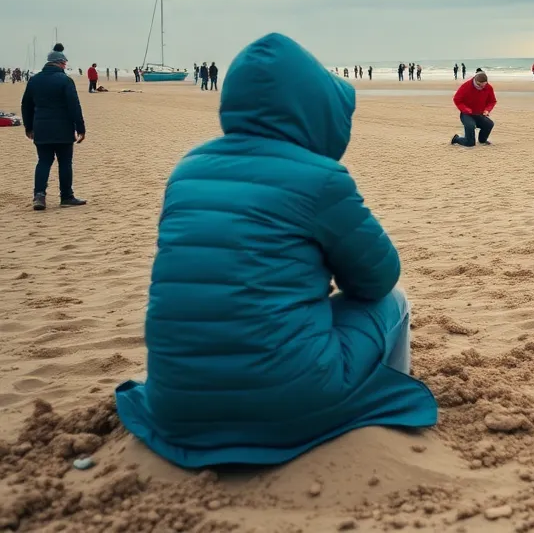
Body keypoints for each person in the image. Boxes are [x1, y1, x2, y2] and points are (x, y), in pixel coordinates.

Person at [113, 33, 438, 467]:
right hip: (288, 405)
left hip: (178, 406)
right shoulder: (321, 178)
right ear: (315, 109)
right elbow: (379, 277)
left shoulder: (187, 169)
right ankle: (380, 394)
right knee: (392, 302)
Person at [21, 44, 87, 210]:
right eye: (64, 63)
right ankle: (66, 196)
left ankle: (39, 196)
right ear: (60, 63)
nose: (65, 66)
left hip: (41, 129)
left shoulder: (34, 80)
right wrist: (81, 128)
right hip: (63, 129)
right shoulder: (65, 80)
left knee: (43, 161)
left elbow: (26, 105)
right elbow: (74, 106)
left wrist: (28, 127)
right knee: (65, 162)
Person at [451, 72, 496, 147]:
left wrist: (487, 110)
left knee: (489, 124)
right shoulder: (466, 86)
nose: (481, 87)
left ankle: (482, 140)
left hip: (479, 114)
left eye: (483, 85)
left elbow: (492, 101)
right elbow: (457, 99)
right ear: (475, 80)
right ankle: (456, 139)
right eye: (479, 85)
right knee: (470, 143)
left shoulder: (488, 87)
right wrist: (466, 109)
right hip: (466, 114)